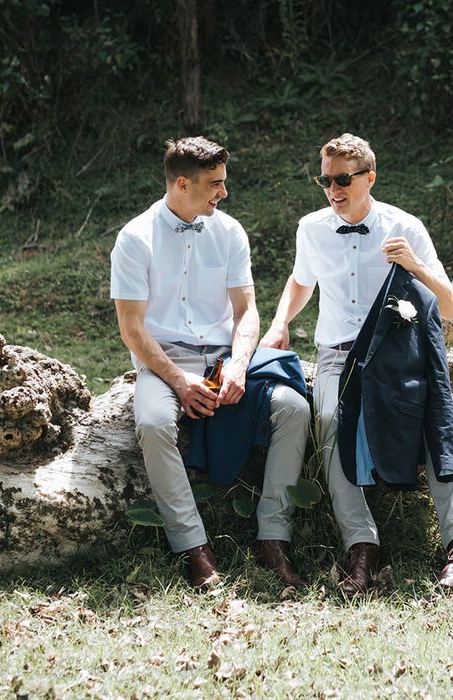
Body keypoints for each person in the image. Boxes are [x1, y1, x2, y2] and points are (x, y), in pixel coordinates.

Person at [260, 133, 453, 595]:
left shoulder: (406, 226)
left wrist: (416, 266)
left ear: (370, 178)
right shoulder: (311, 228)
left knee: (429, 418)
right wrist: (280, 323)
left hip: (398, 350)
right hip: (337, 354)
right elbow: (301, 281)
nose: (333, 190)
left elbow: (446, 307)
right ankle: (361, 545)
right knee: (328, 419)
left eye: (343, 179)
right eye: (325, 180)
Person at [110, 136, 311, 590]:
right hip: (162, 360)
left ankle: (272, 537)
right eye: (215, 184)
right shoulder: (134, 238)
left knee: (294, 409)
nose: (223, 193)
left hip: (223, 357)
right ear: (183, 183)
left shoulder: (230, 232)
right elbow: (132, 329)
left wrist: (239, 365)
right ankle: (194, 545)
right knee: (156, 422)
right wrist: (180, 381)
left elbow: (247, 311)